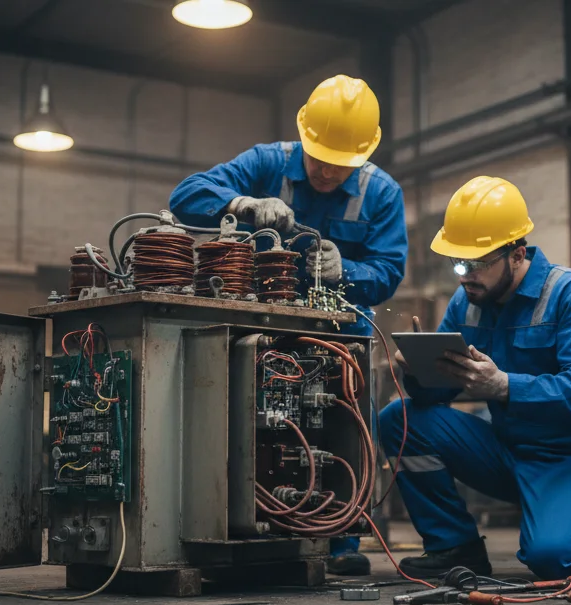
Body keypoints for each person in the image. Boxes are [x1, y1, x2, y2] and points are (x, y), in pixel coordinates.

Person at [169, 74, 408, 577]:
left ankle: (341, 536)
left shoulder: (381, 193)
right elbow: (186, 195)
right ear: (304, 138)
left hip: (338, 333)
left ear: (361, 156)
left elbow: (387, 273)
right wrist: (240, 205)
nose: (324, 171)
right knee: (245, 420)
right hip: (258, 323)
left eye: (339, 164)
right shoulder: (266, 162)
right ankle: (246, 517)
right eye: (318, 157)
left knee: (345, 423)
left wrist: (350, 270)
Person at [379, 176, 571, 580]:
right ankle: (454, 546)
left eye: (478, 263)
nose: (465, 276)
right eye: (458, 263)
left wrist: (505, 385)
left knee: (553, 562)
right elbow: (436, 396)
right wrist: (417, 371)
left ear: (517, 254)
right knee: (400, 418)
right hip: (508, 451)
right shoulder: (468, 301)